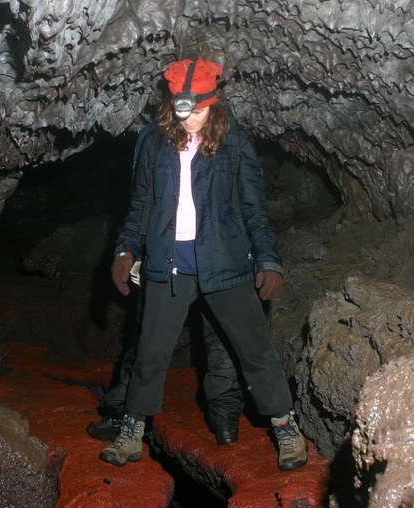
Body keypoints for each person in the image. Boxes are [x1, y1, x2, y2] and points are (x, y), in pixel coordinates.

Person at [99, 58, 307, 471]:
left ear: (215, 105)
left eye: (200, 110)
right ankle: (132, 429)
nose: (192, 119)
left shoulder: (235, 143)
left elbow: (253, 208)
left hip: (224, 259)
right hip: (167, 262)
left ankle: (285, 426)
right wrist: (125, 250)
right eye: (184, 110)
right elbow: (140, 204)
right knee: (150, 352)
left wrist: (268, 259)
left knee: (255, 349)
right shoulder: (153, 142)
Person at [86, 297, 244, 445]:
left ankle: (123, 415)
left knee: (153, 331)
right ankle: (226, 425)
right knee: (220, 332)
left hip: (174, 270)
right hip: (223, 271)